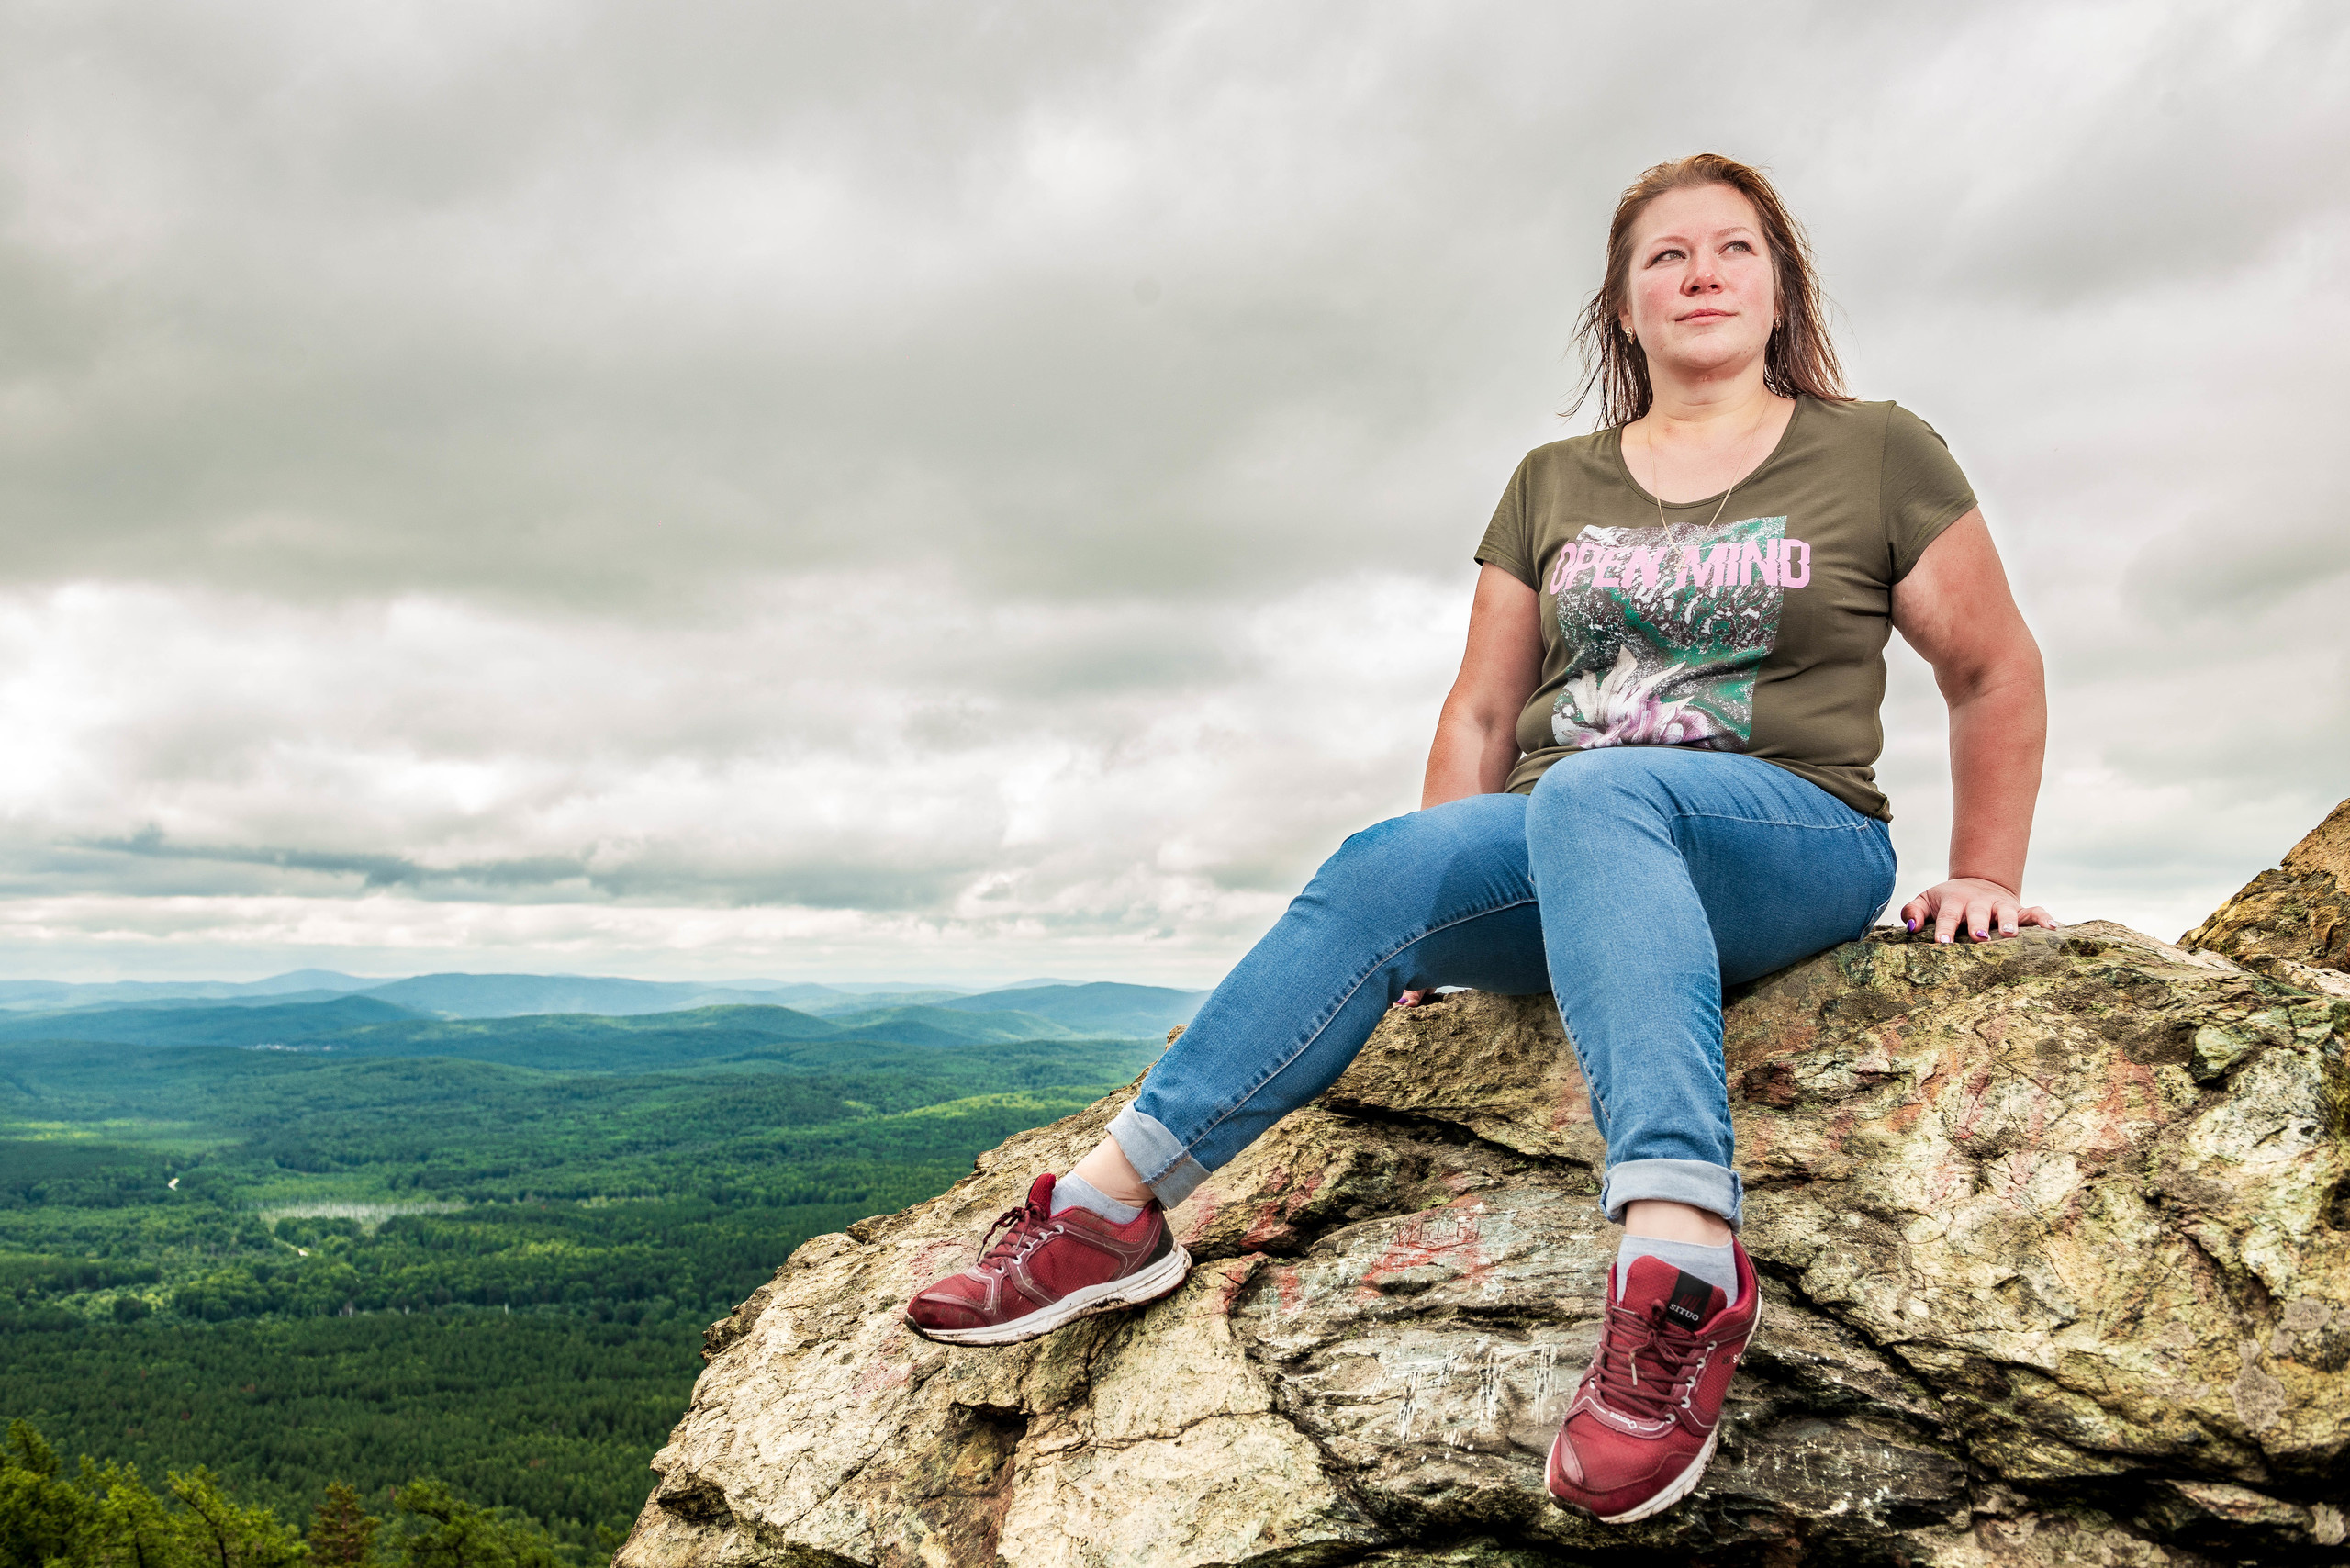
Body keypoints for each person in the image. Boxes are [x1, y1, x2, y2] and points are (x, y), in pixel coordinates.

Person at [901, 152, 2053, 1524]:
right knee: (1389, 861)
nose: (1699, 273)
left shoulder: (1878, 451)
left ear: (1778, 283)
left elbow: (1992, 669)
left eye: (1732, 249)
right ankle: (1109, 1209)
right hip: (1574, 843)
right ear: (1623, 308)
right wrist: (1440, 903)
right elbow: (1488, 707)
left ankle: (1681, 1265)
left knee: (1595, 788)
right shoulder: (1552, 480)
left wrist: (1985, 872)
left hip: (1788, 836)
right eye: (1664, 257)